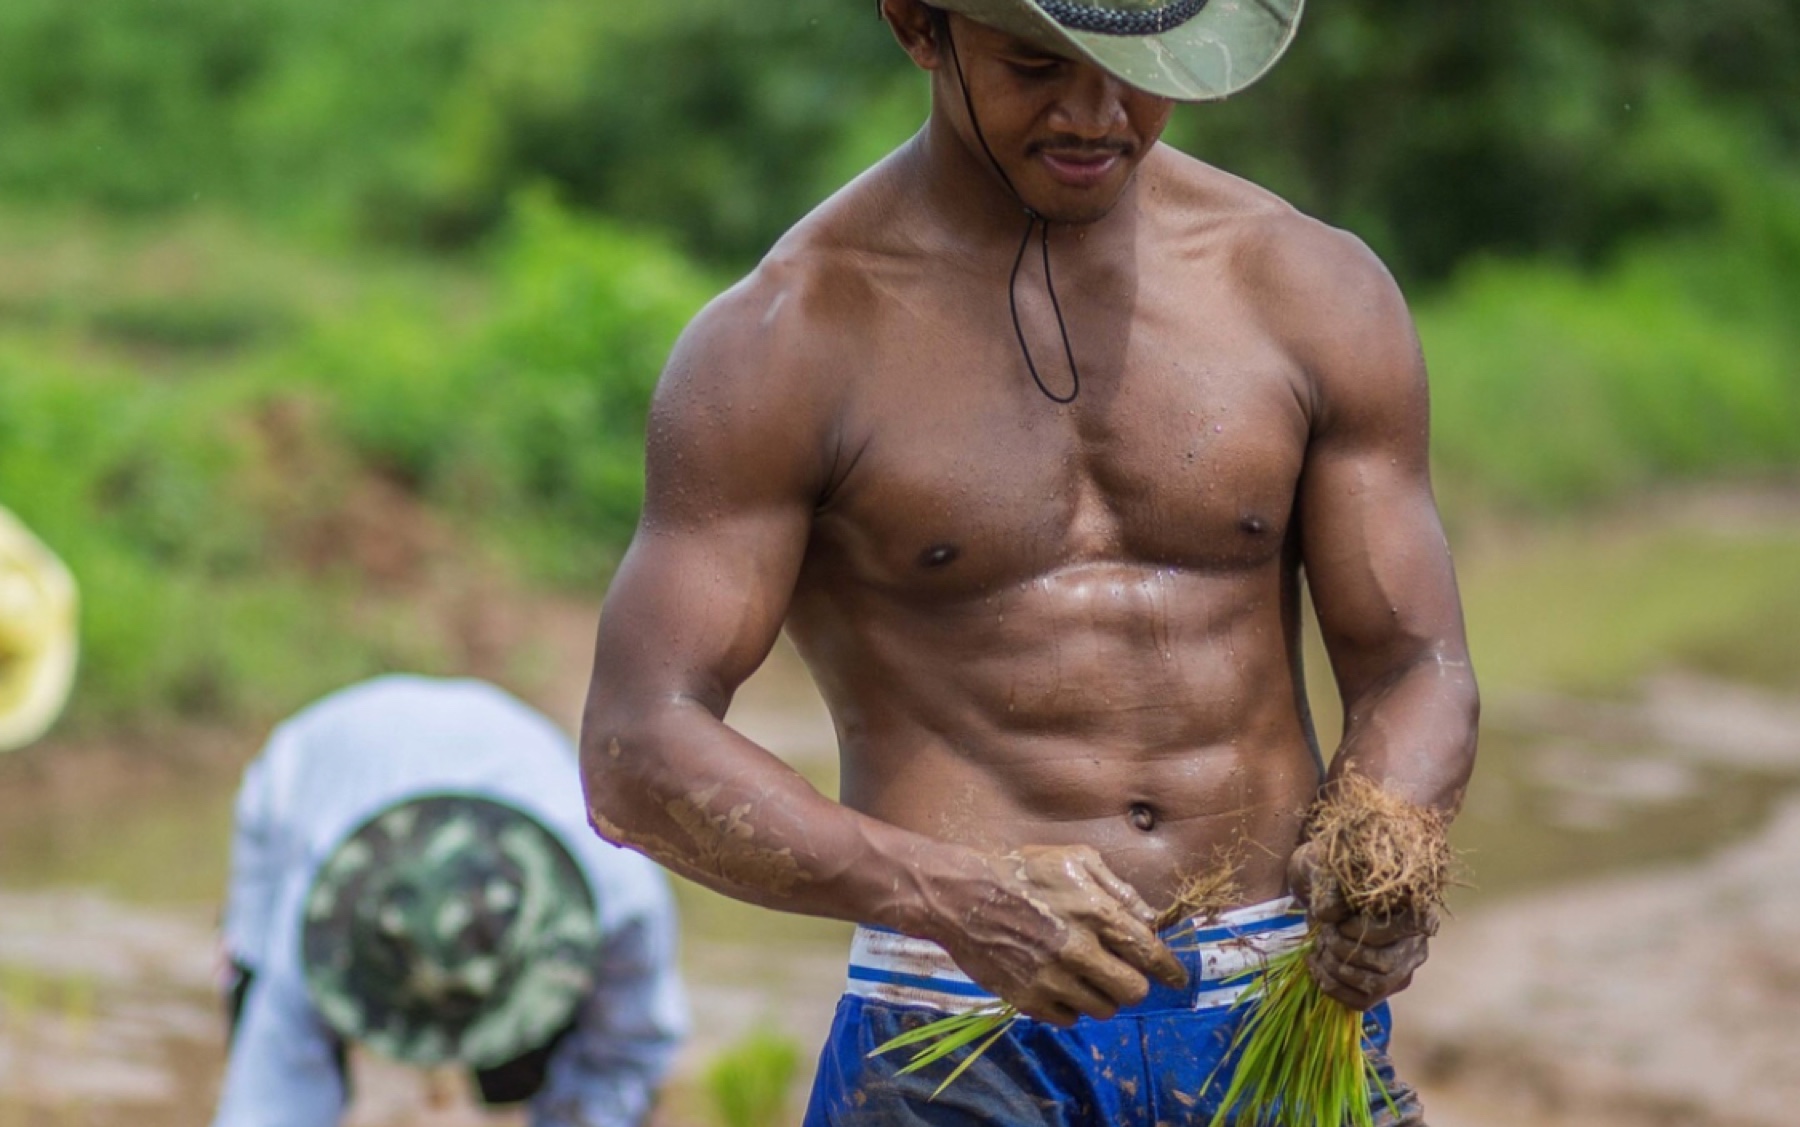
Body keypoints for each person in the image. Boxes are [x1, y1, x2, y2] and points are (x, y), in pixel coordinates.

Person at [581, 0, 1478, 1122]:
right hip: (963, 1027)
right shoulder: (789, 340)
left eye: (1136, 71)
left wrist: (1383, 840)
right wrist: (950, 892)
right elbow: (636, 746)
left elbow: (1415, 663)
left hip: (1278, 1005)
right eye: (1038, 64)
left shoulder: (1309, 290)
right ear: (917, 24)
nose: (1097, 113)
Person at [213, 675, 687, 1127]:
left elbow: (629, 1054)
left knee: (539, 1070)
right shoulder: (317, 909)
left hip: (496, 749)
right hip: (304, 779)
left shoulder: (619, 897)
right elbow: (271, 1093)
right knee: (260, 997)